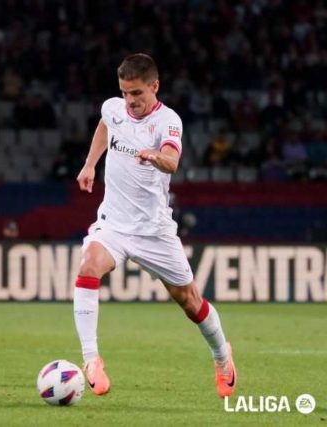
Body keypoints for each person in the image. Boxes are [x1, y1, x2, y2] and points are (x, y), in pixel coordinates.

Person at [73, 53, 236, 399]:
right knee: (88, 265)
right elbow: (105, 124)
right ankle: (91, 359)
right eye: (125, 92)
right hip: (114, 223)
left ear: (154, 86)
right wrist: (90, 164)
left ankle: (222, 356)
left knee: (190, 301)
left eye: (137, 94)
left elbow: (173, 161)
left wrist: (154, 156)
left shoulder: (169, 121)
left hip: (154, 231)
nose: (130, 101)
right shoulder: (113, 108)